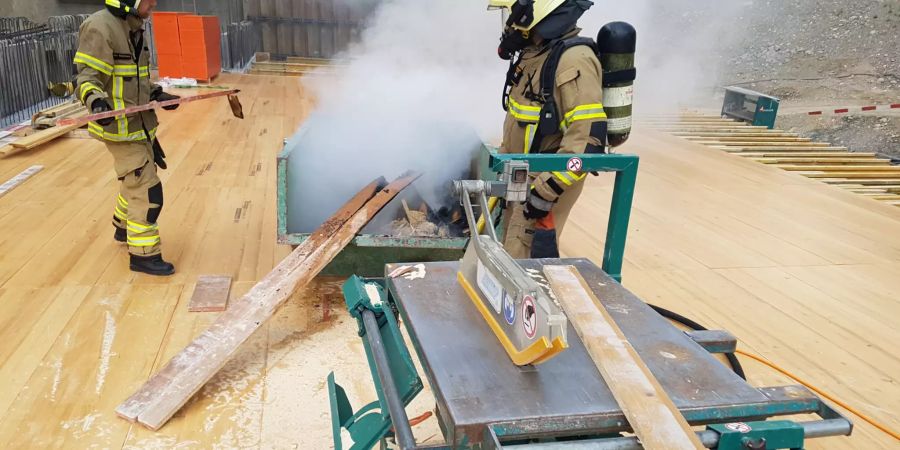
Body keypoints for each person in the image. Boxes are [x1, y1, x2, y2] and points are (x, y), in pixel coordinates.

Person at [488, 0, 607, 259]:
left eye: (512, 13)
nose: (510, 23)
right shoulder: (536, 55)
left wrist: (546, 190)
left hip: (538, 188)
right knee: (506, 258)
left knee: (520, 265)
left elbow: (585, 140)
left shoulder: (574, 60)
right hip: (521, 181)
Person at [74, 0, 181, 275]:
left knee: (135, 177)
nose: (153, 3)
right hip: (119, 129)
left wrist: (157, 94)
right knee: (146, 189)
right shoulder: (100, 27)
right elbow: (87, 78)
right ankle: (143, 255)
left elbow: (136, 78)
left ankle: (123, 227)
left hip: (139, 125)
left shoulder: (134, 28)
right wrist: (97, 103)